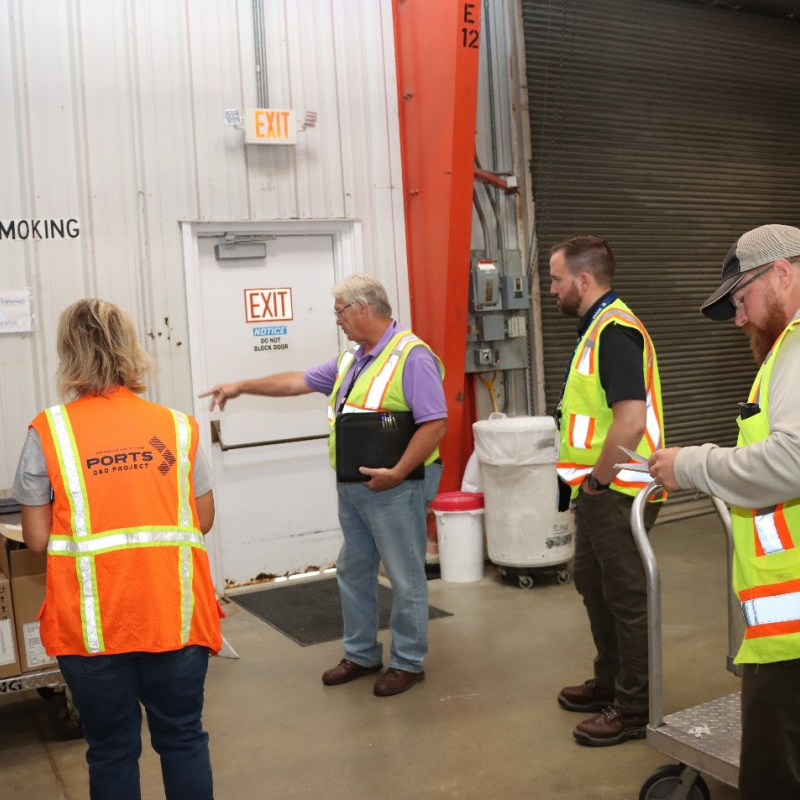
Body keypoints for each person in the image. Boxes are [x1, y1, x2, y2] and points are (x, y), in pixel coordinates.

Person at [13, 299, 222, 800]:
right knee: (183, 739)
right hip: (175, 620)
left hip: (92, 630)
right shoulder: (176, 427)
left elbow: (39, 539)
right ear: (131, 349)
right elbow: (203, 519)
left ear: (69, 354)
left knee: (110, 750)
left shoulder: (50, 432)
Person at [201, 273, 447, 697]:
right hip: (354, 489)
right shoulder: (353, 359)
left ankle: (408, 662)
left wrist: (400, 472)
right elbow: (297, 381)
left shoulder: (412, 356)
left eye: (340, 312)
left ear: (364, 309)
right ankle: (362, 654)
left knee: (405, 577)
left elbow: (435, 422)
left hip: (395, 487)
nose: (337, 321)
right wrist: (240, 386)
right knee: (353, 570)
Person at [649, 224, 800, 800]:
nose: (739, 318)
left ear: (782, 274)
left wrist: (692, 465)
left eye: (742, 299)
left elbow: (790, 460)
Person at [549, 234, 665, 746]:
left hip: (618, 488)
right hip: (597, 489)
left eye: (555, 280)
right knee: (594, 585)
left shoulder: (616, 332)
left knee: (626, 595)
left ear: (583, 280)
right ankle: (610, 683)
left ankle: (636, 707)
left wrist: (595, 481)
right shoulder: (595, 328)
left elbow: (631, 422)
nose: (551, 290)